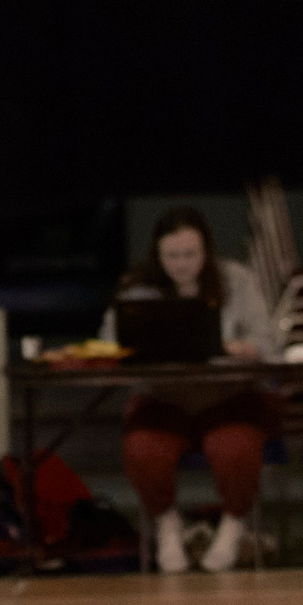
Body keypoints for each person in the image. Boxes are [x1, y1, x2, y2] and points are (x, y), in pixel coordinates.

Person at [101, 206, 280, 573]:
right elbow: (109, 343)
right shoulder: (137, 288)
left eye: (190, 254)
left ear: (206, 251)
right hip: (163, 399)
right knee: (143, 448)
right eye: (172, 256)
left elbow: (267, 340)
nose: (181, 264)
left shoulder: (237, 280)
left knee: (236, 447)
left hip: (226, 397)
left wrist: (246, 349)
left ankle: (233, 526)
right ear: (157, 254)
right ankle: (167, 524)